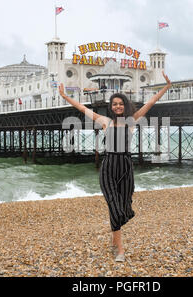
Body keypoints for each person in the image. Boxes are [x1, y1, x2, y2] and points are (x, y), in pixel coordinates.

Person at [58, 71, 172, 262]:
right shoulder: (105, 122)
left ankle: (114, 239)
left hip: (126, 167)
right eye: (114, 104)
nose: (118, 106)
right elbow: (82, 109)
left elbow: (150, 102)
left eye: (120, 103)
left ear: (124, 106)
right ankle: (119, 249)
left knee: (125, 207)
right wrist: (65, 96)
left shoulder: (132, 120)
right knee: (114, 205)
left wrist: (166, 87)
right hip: (109, 166)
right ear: (111, 107)